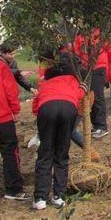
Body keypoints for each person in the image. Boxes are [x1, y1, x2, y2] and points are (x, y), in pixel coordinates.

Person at [31, 51, 86, 210]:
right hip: (69, 108)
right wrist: (82, 88)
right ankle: (59, 196)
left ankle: (40, 198)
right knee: (62, 152)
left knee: (45, 153)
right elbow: (80, 94)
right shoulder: (72, 80)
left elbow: (35, 108)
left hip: (47, 109)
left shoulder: (46, 83)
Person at [0, 36, 30, 201]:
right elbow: (10, 91)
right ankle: (13, 189)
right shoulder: (0, 67)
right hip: (2, 116)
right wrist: (15, 110)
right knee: (9, 151)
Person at [74, 30, 109, 139]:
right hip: (86, 68)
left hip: (98, 66)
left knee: (97, 96)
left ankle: (101, 126)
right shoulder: (79, 35)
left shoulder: (99, 33)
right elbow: (77, 51)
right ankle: (95, 125)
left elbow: (107, 47)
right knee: (90, 97)